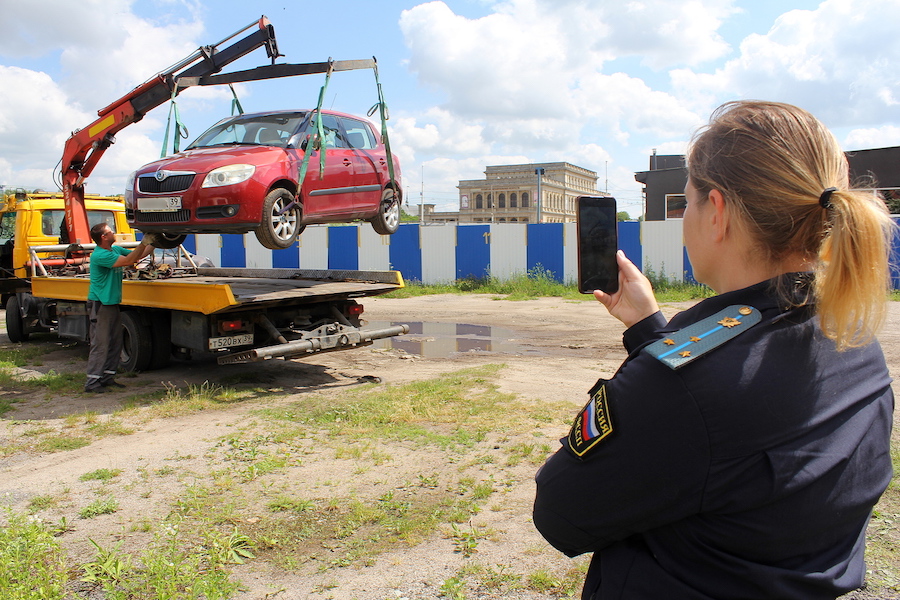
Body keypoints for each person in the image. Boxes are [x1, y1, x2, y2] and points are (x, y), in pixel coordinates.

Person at [533, 100, 895, 599]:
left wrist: (658, 363)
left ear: (717, 212)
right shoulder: (855, 345)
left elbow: (558, 512)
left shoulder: (684, 387)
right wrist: (648, 328)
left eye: (687, 202)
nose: (685, 217)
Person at [84, 224, 156, 393]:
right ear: (103, 236)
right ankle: (92, 382)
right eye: (110, 231)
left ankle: (108, 377)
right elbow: (129, 261)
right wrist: (143, 241)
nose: (114, 233)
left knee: (114, 342)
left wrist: (155, 241)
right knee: (100, 343)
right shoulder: (100, 255)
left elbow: (138, 255)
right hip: (101, 304)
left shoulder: (114, 250)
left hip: (111, 303)